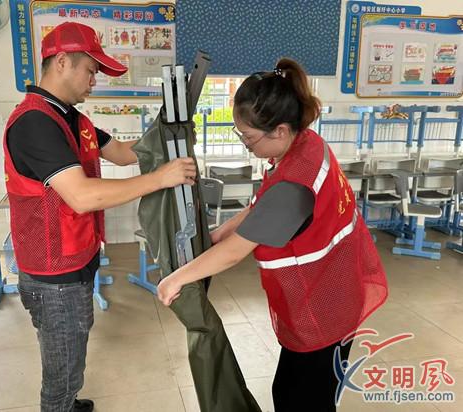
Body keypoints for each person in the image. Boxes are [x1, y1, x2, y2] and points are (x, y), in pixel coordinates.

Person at [157, 58, 388, 411]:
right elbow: (259, 207)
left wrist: (176, 279)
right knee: (292, 388)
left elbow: (236, 252)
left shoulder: (295, 186)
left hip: (325, 304)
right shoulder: (305, 143)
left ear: (279, 130)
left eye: (249, 137)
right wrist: (218, 233)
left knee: (304, 399)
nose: (245, 144)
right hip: (333, 287)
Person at [3, 22, 196, 412]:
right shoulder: (35, 122)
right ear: (62, 62)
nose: (95, 81)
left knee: (73, 347)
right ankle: (61, 404)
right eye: (91, 71)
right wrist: (159, 178)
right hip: (53, 273)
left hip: (78, 257)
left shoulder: (75, 120)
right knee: (61, 368)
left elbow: (124, 153)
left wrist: (166, 129)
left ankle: (70, 401)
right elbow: (82, 196)